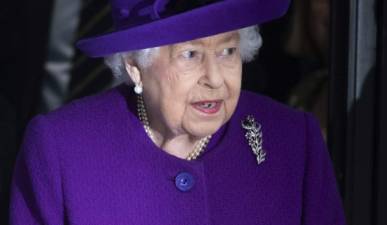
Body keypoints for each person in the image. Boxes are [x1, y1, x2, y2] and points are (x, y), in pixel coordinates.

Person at [9, 0, 346, 224]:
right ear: (135, 66)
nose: (215, 79)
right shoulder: (63, 147)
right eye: (190, 55)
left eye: (228, 51)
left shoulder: (292, 139)